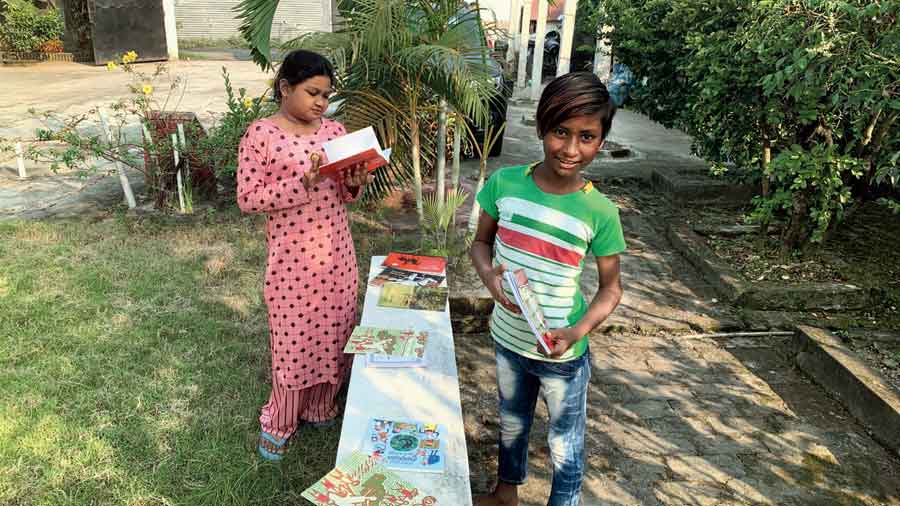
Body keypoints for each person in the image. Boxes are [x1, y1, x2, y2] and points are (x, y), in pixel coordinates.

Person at [470, 72, 626, 506]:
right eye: (561, 132)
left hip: (562, 355)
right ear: (541, 125)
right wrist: (489, 277)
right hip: (508, 339)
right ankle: (506, 495)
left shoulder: (600, 211)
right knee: (512, 423)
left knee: (565, 445)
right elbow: (480, 244)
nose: (571, 149)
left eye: (587, 136)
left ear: (601, 140)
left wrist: (576, 333)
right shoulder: (504, 184)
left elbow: (611, 290)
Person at [237, 49, 373, 461]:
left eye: (326, 95)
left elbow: (346, 196)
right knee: (294, 341)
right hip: (291, 262)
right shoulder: (260, 134)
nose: (320, 103)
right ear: (284, 88)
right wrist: (304, 181)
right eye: (312, 92)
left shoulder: (334, 131)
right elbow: (248, 198)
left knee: (335, 332)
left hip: (336, 256)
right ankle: (280, 421)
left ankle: (320, 406)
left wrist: (354, 181)